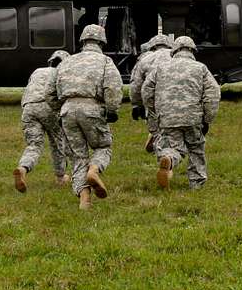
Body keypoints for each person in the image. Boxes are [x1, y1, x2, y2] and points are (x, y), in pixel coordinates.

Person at [54, 24, 123, 209]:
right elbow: (113, 87)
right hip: (92, 109)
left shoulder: (66, 61)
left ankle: (84, 197)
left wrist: (62, 108)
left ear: (82, 41)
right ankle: (94, 170)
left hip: (67, 110)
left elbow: (53, 90)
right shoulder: (105, 61)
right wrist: (112, 110)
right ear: (102, 42)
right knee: (103, 146)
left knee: (78, 157)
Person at [142, 35, 220, 190]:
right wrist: (207, 119)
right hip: (193, 118)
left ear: (174, 50)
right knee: (196, 148)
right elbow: (213, 94)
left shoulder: (160, 68)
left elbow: (146, 91)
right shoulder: (201, 68)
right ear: (192, 51)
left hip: (167, 118)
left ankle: (169, 159)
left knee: (173, 146)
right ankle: (197, 184)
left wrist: (155, 112)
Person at [14, 50, 71, 192]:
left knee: (34, 144)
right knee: (57, 142)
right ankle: (60, 176)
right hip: (47, 107)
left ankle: (23, 168)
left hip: (28, 107)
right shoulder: (61, 74)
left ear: (51, 61)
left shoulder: (37, 71)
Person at [128, 34, 173, 154]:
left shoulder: (145, 59)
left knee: (156, 128)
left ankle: (162, 151)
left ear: (152, 46)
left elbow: (136, 84)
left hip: (153, 97)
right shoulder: (176, 56)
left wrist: (136, 105)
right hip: (176, 97)